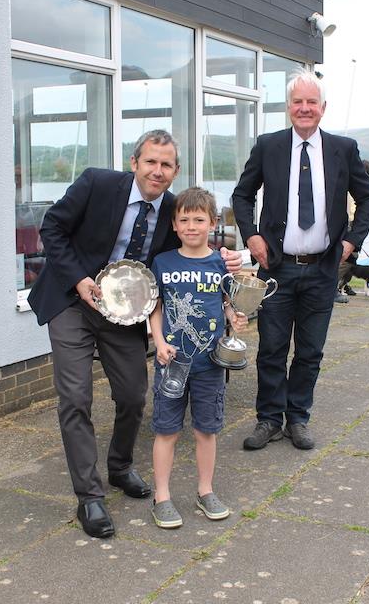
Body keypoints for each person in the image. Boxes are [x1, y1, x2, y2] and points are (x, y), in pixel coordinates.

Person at [27, 130, 241, 538]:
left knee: (132, 395)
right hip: (73, 300)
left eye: (166, 165)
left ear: (175, 171)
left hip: (125, 314)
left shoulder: (175, 210)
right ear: (134, 162)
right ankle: (90, 496)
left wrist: (226, 255)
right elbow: (52, 228)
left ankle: (120, 465)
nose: (157, 171)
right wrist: (78, 279)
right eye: (150, 162)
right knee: (75, 397)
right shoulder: (96, 183)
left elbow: (196, 243)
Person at [232, 69, 369, 452]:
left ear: (323, 108)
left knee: (310, 351)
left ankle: (298, 419)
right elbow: (242, 195)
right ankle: (269, 419)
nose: (304, 108)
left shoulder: (343, 149)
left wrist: (350, 242)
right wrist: (251, 235)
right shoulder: (269, 146)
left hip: (322, 269)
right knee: (271, 349)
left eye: (311, 102)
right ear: (288, 107)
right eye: (298, 102)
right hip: (277, 268)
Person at [149, 187, 247, 528]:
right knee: (167, 430)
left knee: (207, 430)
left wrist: (236, 316)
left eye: (199, 219)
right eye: (184, 219)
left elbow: (228, 302)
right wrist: (158, 342)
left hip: (210, 364)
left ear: (213, 223)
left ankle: (205, 490)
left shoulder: (221, 262)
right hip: (170, 363)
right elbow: (155, 308)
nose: (192, 226)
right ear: (174, 225)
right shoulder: (162, 262)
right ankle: (161, 496)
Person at [334, 159, 369, 303]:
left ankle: (341, 286)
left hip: (353, 225)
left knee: (351, 259)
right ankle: (334, 288)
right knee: (346, 259)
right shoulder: (348, 185)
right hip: (347, 225)